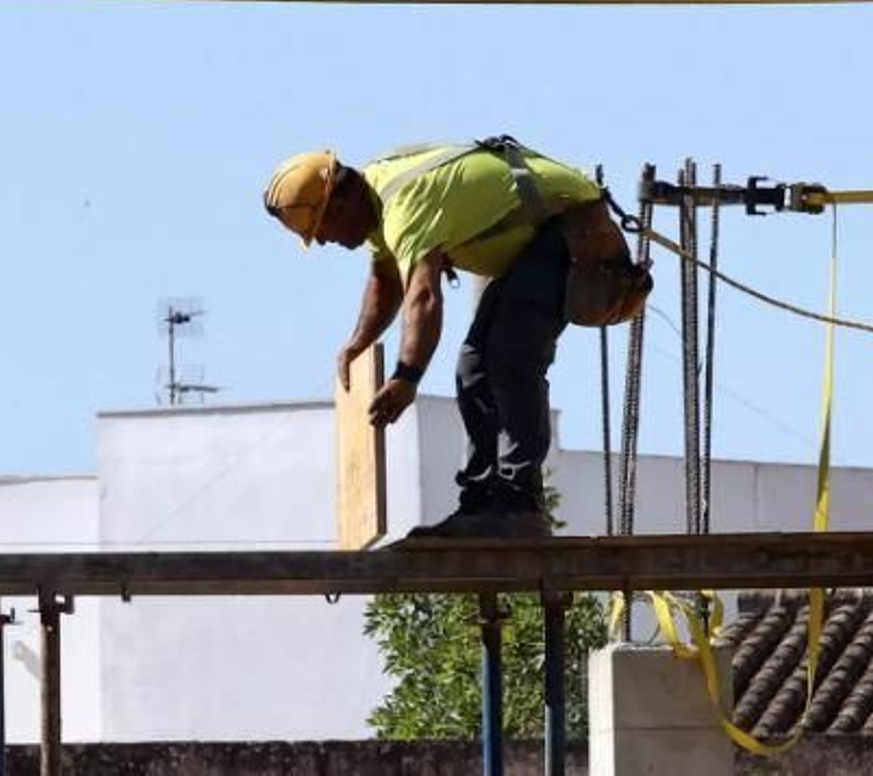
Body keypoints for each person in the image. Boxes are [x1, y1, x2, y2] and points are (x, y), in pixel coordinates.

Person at [262, 137, 621, 538]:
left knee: (510, 357)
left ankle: (519, 506)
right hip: (537, 246)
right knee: (474, 368)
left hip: (577, 232)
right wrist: (358, 342)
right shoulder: (377, 198)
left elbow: (423, 296)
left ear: (340, 203)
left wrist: (407, 377)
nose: (326, 241)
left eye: (321, 229)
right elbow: (385, 278)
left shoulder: (404, 204)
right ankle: (483, 504)